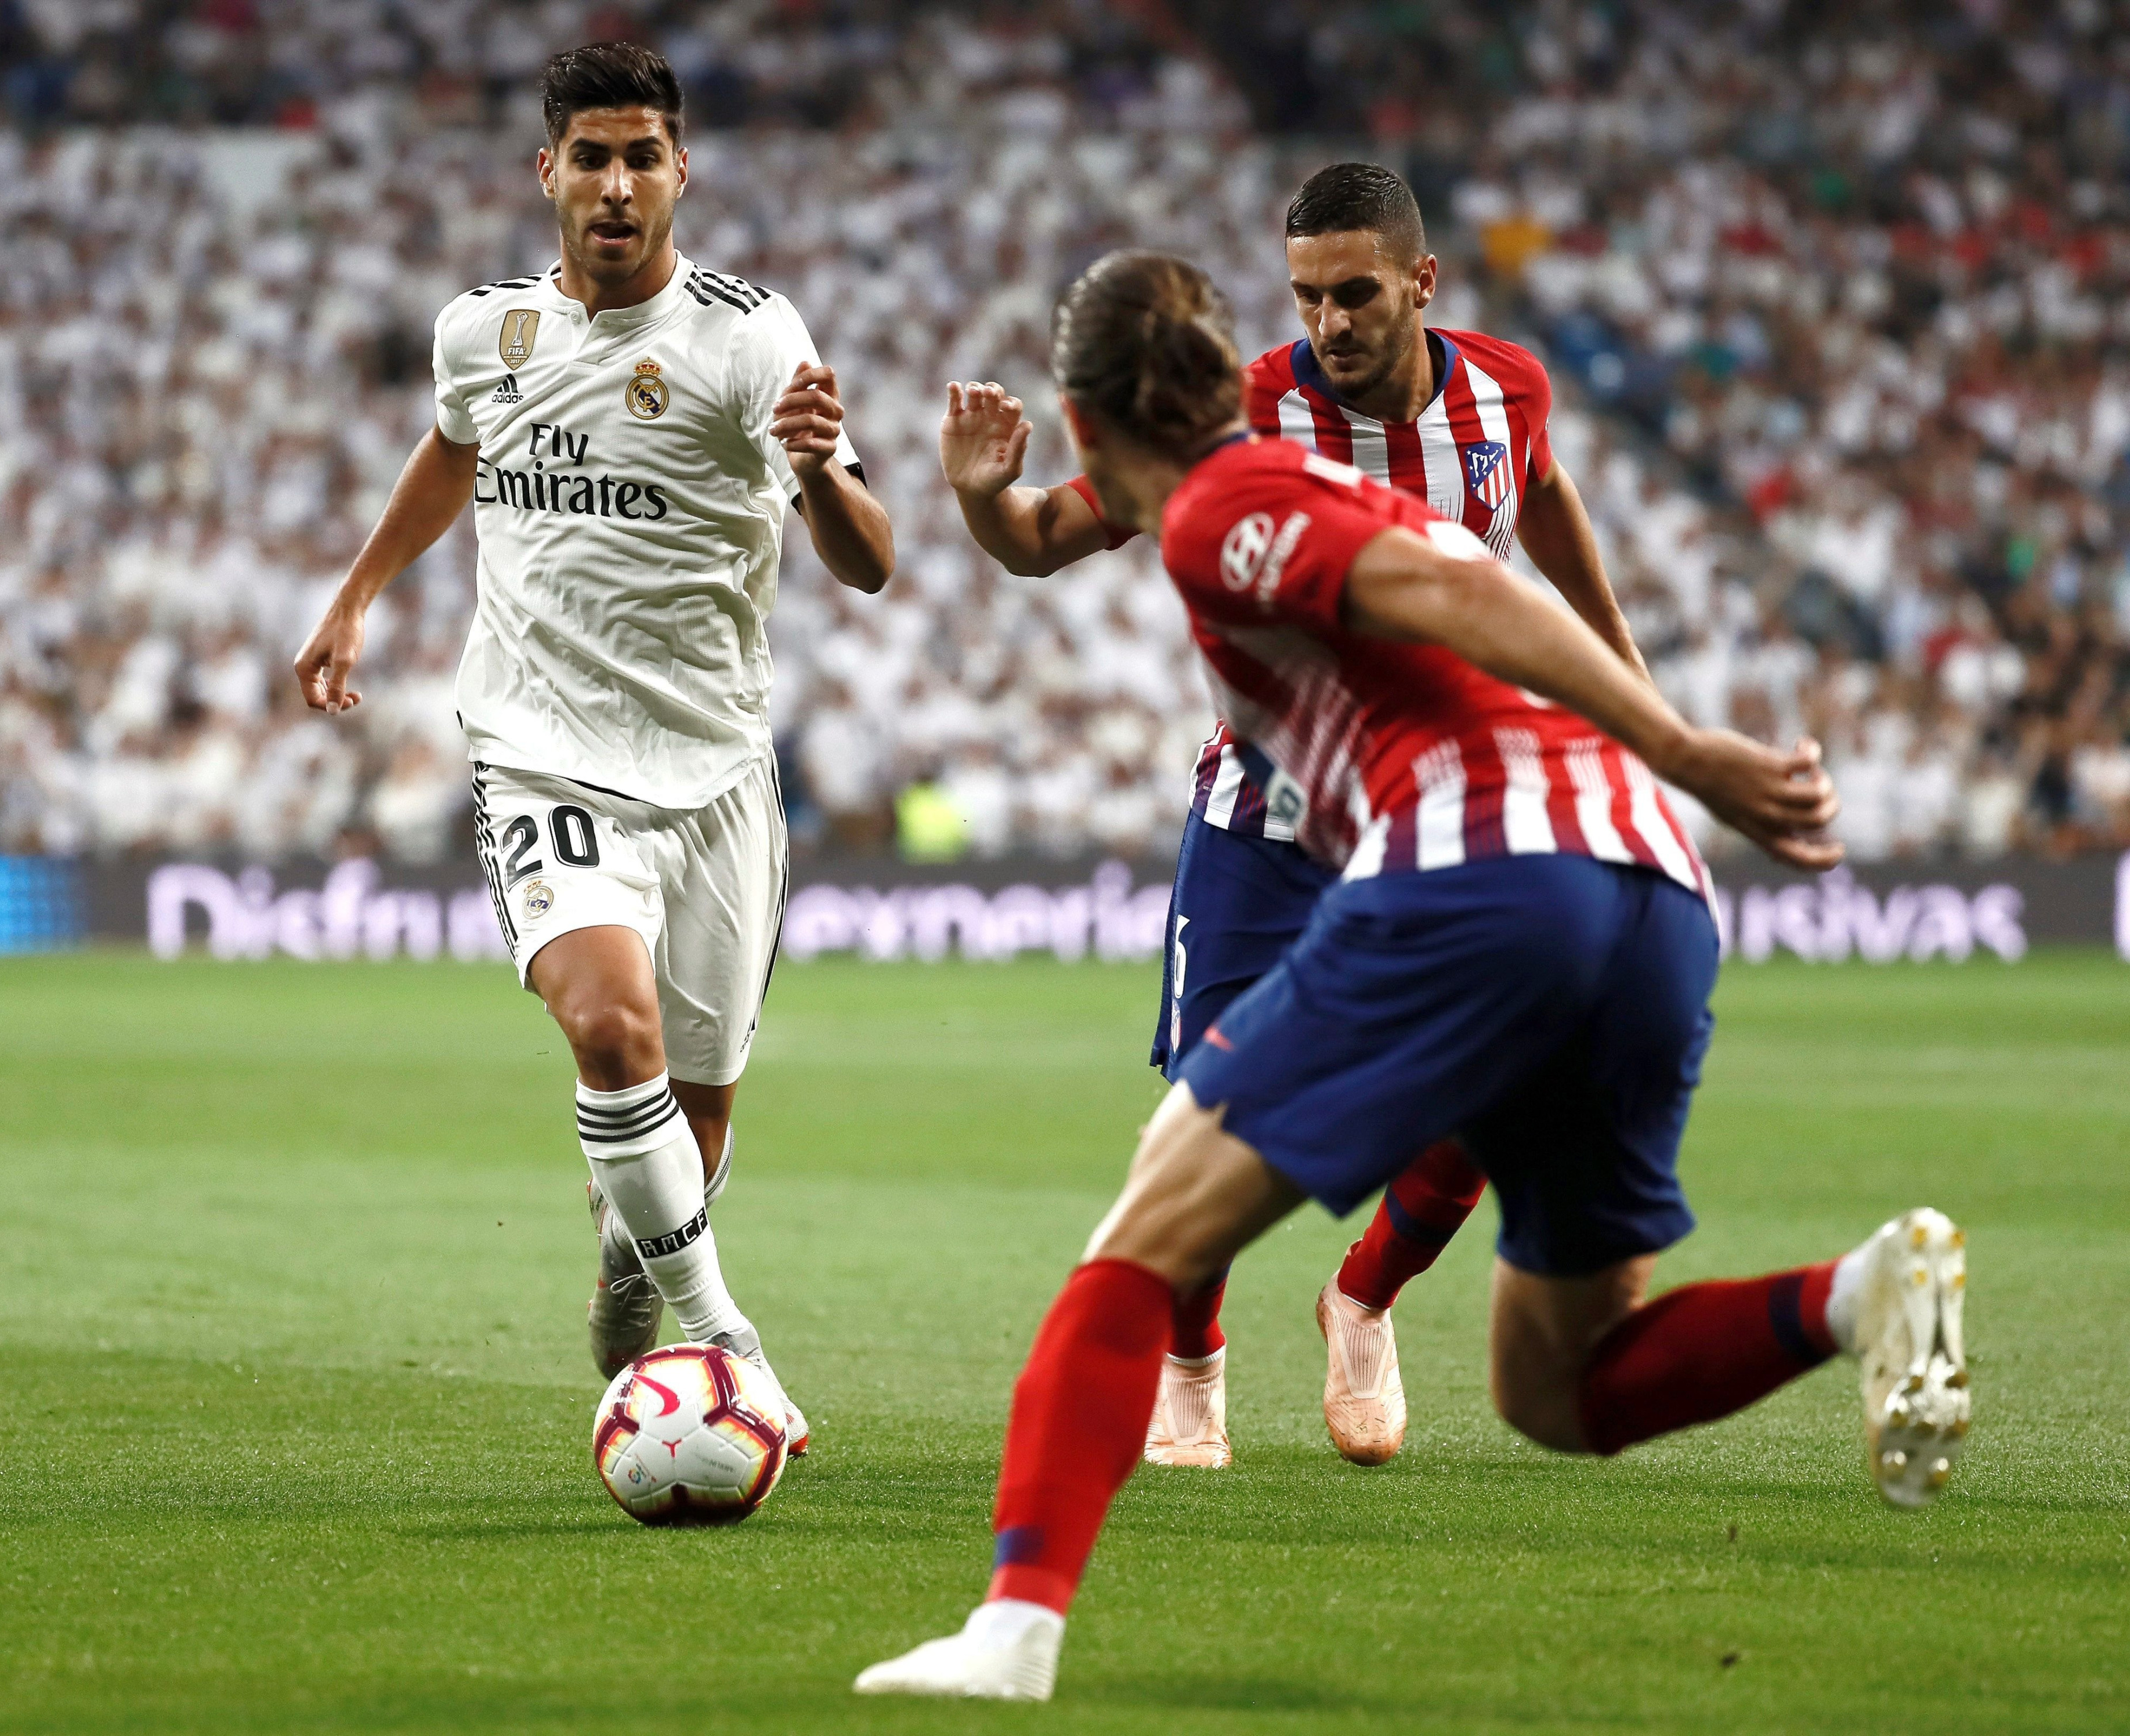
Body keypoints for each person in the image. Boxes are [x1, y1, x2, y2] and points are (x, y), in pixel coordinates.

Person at [858, 252, 1969, 1701]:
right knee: (1557, 1385)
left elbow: (1447, 586)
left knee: (1140, 1237)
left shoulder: (1221, 506)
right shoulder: (1263, 480)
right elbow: (1437, 564)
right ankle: (1862, 1295)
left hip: (1488, 864)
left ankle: (1010, 1635)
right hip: (1649, 889)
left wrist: (1685, 743)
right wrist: (1661, 775)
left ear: (1080, 426)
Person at [939, 163, 1648, 1470]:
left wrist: (1619, 674)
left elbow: (1537, 496)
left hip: (1444, 815)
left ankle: (1361, 1297)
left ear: (1421, 283)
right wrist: (985, 496)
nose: (1328, 321)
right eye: (1307, 296)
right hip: (1264, 813)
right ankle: (1190, 1363)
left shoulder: (1507, 391)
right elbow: (1043, 539)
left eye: (1356, 292)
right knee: (1209, 1108)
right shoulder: (1237, 408)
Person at [292, 42, 894, 1449]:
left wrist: (815, 465)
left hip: (718, 772)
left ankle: (639, 1249)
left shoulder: (751, 337)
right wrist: (356, 594)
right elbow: (453, 448)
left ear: (680, 170)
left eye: (641, 156)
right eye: (590, 156)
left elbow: (866, 561)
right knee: (608, 1030)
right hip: (541, 751)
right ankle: (727, 1341)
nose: (615, 185)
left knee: (698, 1102)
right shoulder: (483, 331)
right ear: (546, 171)